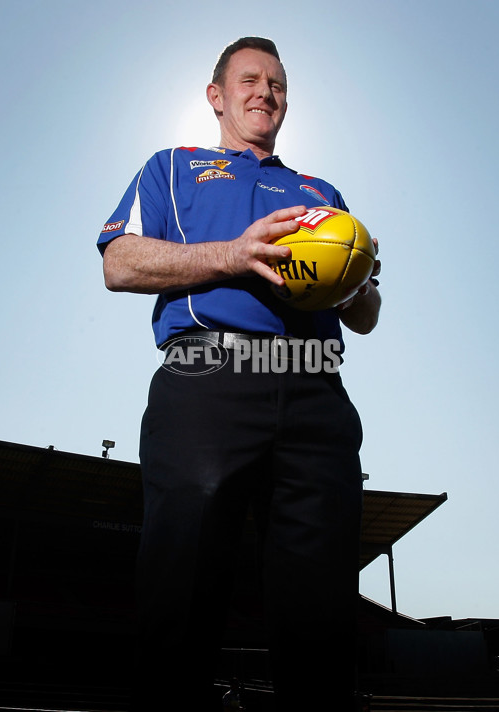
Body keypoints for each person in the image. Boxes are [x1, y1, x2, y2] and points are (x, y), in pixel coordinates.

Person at [98, 37, 381, 711]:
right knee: (184, 580)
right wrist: (235, 254)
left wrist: (351, 275)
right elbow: (120, 264)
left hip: (315, 386)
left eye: (277, 83)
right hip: (207, 377)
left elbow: (367, 315)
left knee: (321, 604)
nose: (266, 93)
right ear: (217, 96)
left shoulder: (321, 194)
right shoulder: (173, 168)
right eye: (250, 80)